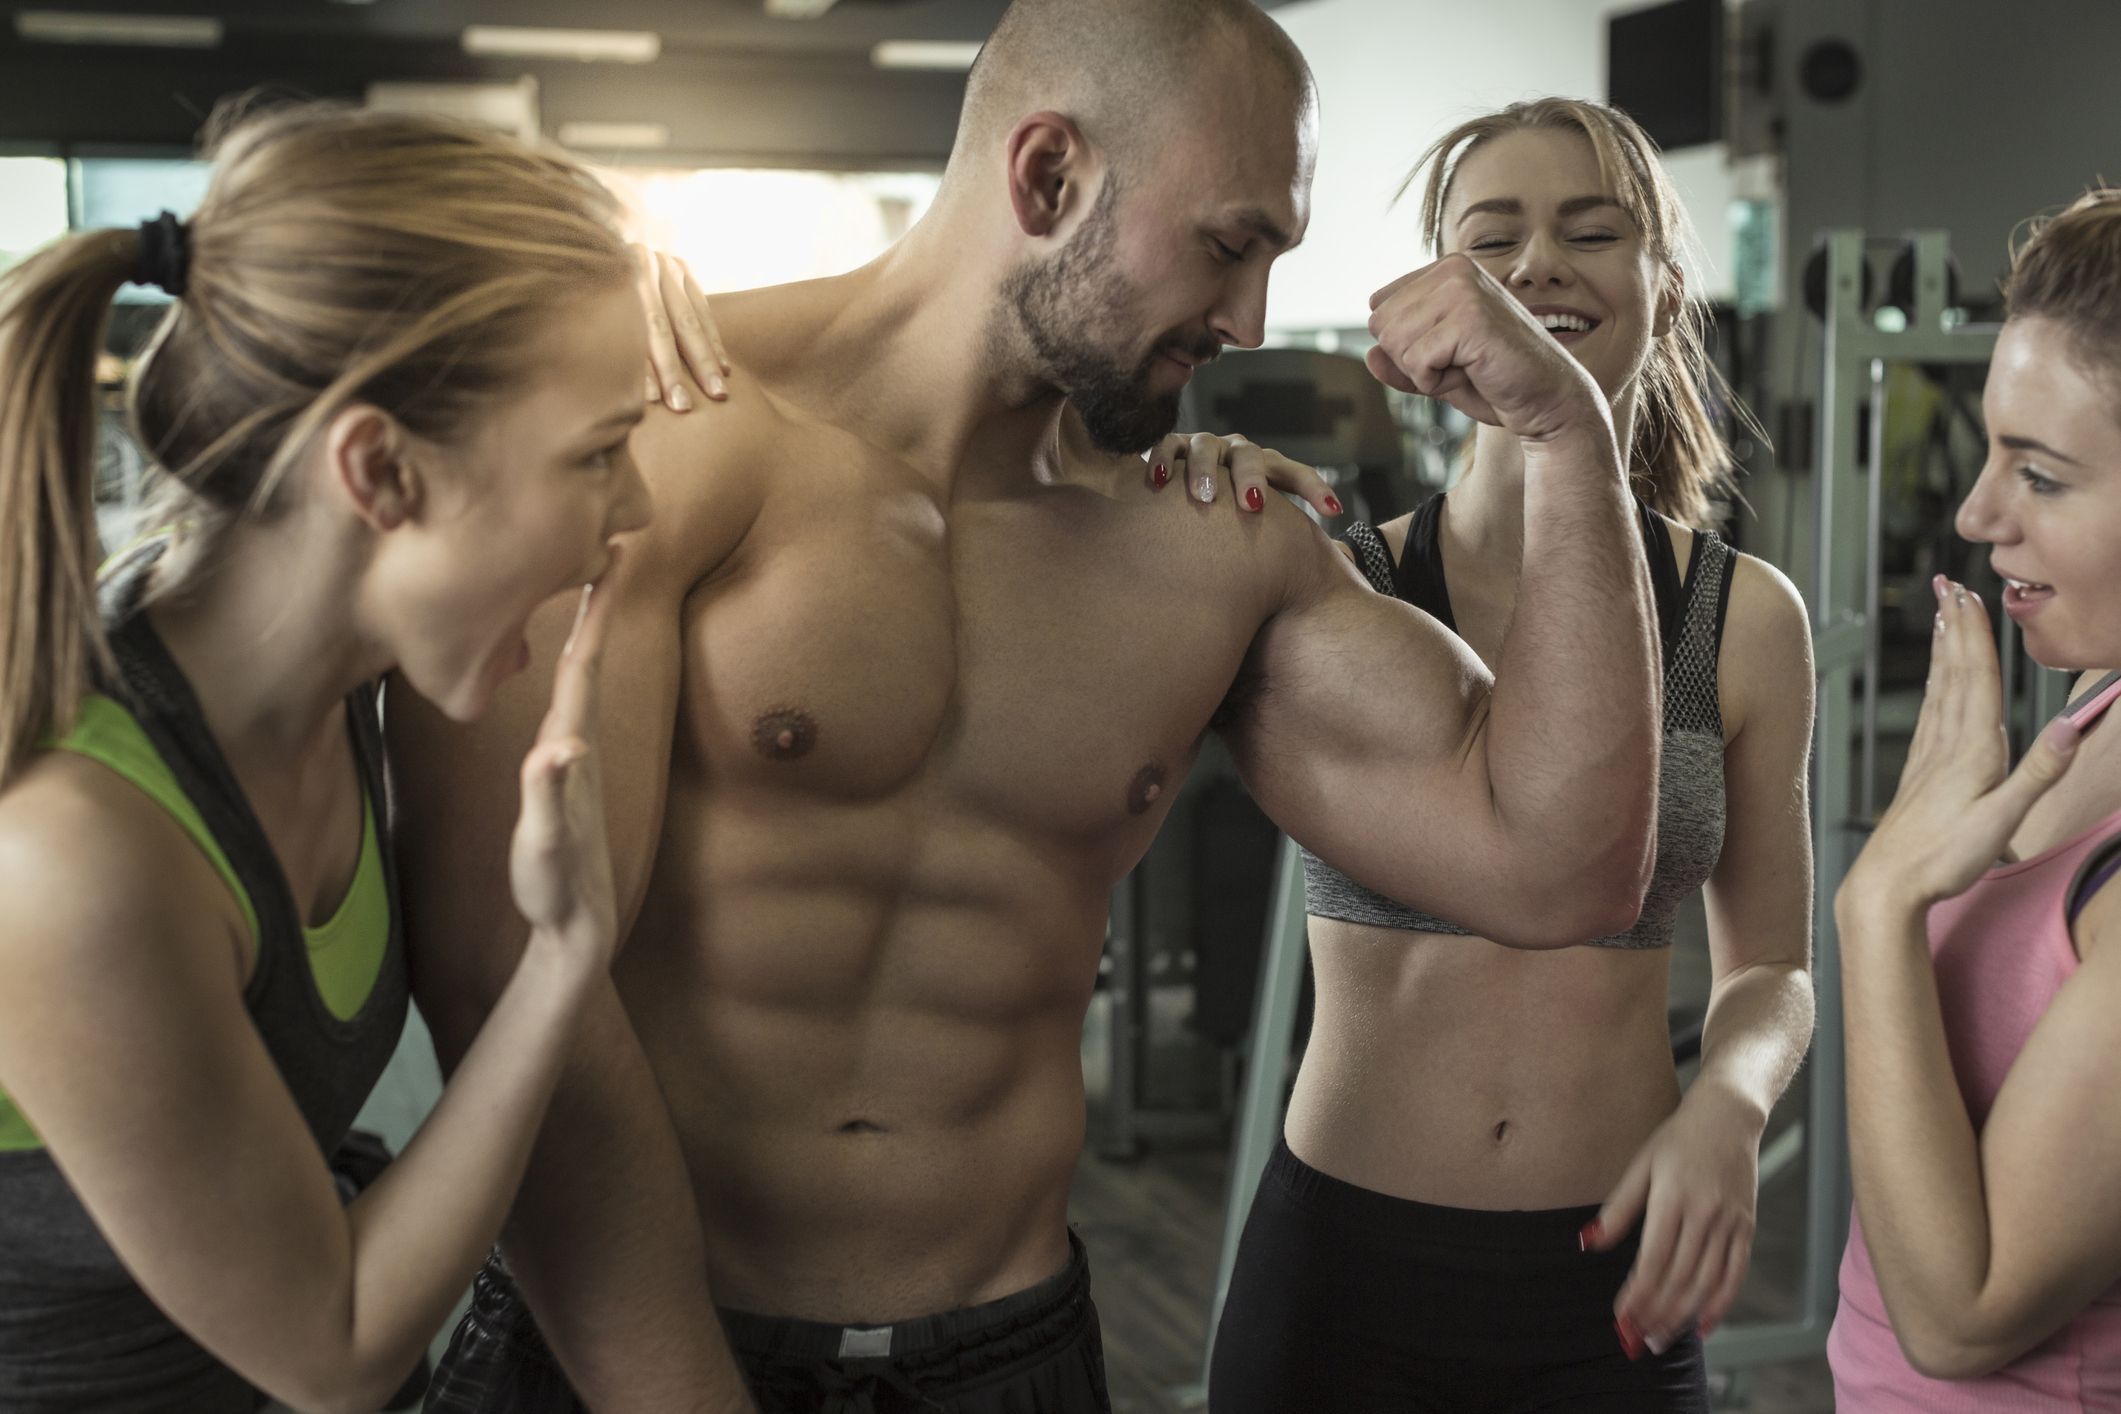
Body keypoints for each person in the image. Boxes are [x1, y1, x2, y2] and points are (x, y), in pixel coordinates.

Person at [388, 2, 1667, 1410]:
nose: (1244, 322)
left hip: (1006, 1359)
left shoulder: (1207, 540)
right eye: (1228, 244)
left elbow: (1564, 864)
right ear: (1046, 177)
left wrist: (1568, 438)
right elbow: (510, 979)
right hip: (626, 1348)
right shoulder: (654, 437)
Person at [0, 101, 684, 1412]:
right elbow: (333, 1338)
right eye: (598, 453)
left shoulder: (337, 696)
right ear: (379, 471)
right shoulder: (77, 845)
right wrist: (561, 958)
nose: (638, 506)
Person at [1198, 98, 1816, 1414]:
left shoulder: (1742, 617)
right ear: (1432, 290)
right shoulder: (1330, 585)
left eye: (1591, 231)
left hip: (1607, 1278)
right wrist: (1181, 503)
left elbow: (1773, 965)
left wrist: (1731, 1107)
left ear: (1662, 281)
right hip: (1344, 1269)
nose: (1539, 265)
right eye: (1495, 236)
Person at [1831, 188, 2121, 1411]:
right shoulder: (2091, 708)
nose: (1976, 514)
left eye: (2041, 477)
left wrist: (1878, 909)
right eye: (1993, 453)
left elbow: (1960, 1315)